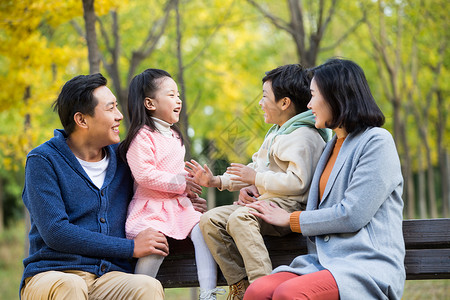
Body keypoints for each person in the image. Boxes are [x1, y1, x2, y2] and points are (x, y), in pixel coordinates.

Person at [245, 58, 406, 300]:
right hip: (321, 262)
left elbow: (352, 215)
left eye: (312, 95)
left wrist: (290, 219)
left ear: (335, 96)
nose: (308, 104)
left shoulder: (377, 142)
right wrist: (254, 186)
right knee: (258, 291)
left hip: (365, 263)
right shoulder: (331, 146)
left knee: (289, 294)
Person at [185, 64, 331, 299]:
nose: (260, 103)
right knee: (209, 219)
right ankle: (241, 286)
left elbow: (298, 182)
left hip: (291, 207)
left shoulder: (304, 136)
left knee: (241, 218)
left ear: (284, 103)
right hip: (267, 203)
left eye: (264, 97)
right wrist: (216, 181)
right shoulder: (278, 132)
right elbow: (253, 170)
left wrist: (257, 179)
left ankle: (263, 287)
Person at [21, 73, 170, 300]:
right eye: (110, 109)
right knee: (70, 286)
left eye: (117, 107)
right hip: (52, 275)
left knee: (147, 287)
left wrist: (184, 199)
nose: (119, 116)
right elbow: (56, 232)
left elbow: (151, 192)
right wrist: (129, 248)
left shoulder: (125, 159)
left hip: (109, 279)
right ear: (82, 120)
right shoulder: (43, 160)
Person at [118, 69, 224, 300]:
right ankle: (140, 292)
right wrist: (180, 184)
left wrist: (189, 192)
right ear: (150, 103)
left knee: (203, 231)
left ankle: (208, 293)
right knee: (155, 245)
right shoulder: (142, 137)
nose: (179, 100)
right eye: (172, 95)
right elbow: (144, 175)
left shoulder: (175, 137)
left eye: (179, 95)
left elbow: (177, 175)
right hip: (152, 208)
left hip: (177, 207)